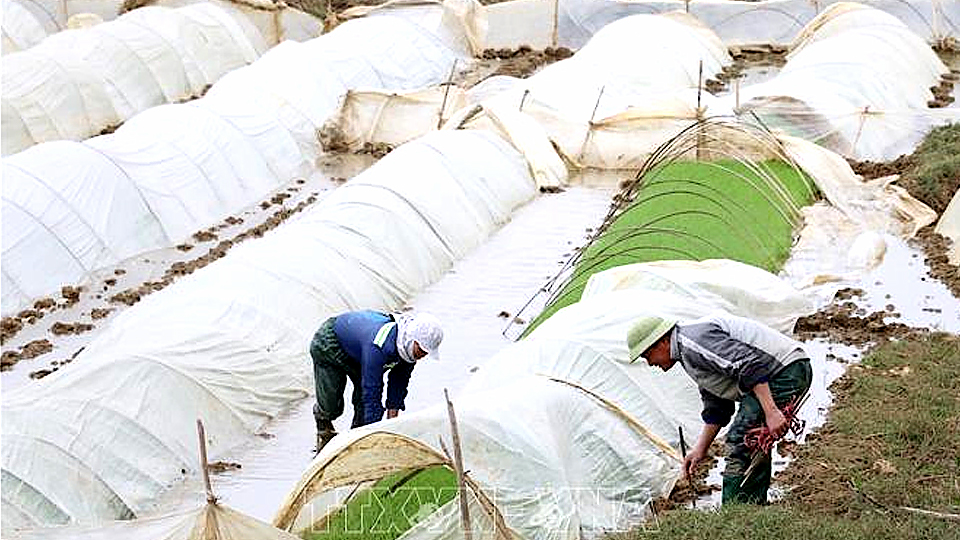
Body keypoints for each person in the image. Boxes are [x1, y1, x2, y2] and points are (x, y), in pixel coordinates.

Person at [627, 312, 812, 504]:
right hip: (780, 372)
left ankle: (736, 512)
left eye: (648, 355)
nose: (650, 363)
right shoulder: (687, 353)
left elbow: (750, 366)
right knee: (752, 440)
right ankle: (750, 508)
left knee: (741, 439)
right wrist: (700, 450)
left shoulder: (693, 342)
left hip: (785, 371)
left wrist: (771, 412)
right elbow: (718, 407)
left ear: (662, 341)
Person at [310, 310, 443, 451]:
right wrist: (375, 437)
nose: (423, 355)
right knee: (332, 408)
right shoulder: (379, 346)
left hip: (360, 352)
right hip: (331, 344)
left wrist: (392, 427)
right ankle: (323, 425)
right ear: (413, 339)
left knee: (363, 412)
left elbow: (398, 386)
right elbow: (372, 393)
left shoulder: (408, 351)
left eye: (426, 352)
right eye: (421, 350)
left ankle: (354, 445)